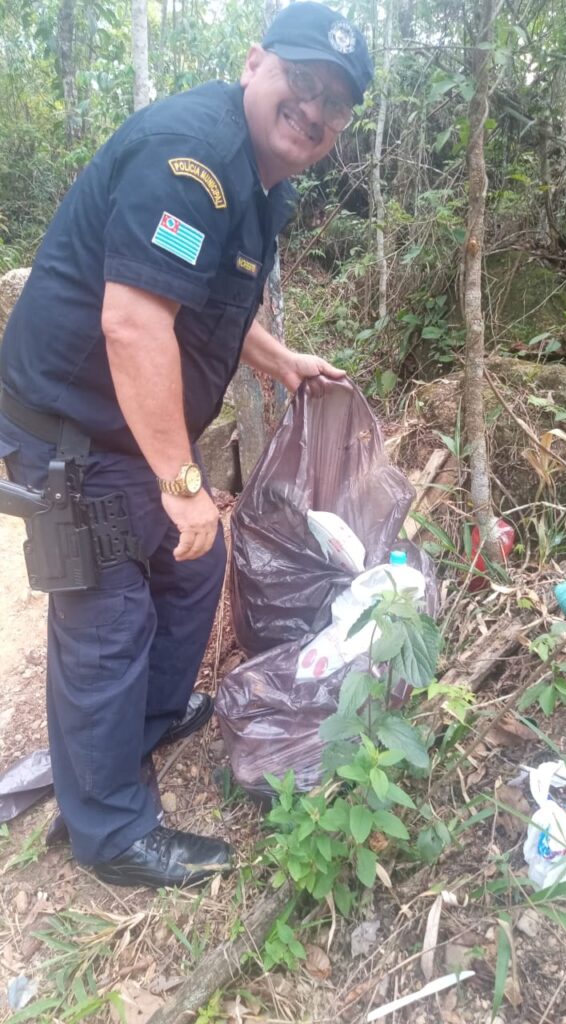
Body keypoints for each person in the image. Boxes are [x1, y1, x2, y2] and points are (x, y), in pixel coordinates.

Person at [0, 1, 373, 888]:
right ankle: (110, 831)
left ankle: (148, 721)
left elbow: (207, 302)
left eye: (335, 104)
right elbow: (133, 324)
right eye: (302, 82)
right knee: (109, 615)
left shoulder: (264, 183)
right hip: (74, 428)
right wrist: (180, 480)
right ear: (254, 64)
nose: (314, 111)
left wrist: (281, 360)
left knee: (194, 568)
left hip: (130, 425)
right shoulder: (191, 160)